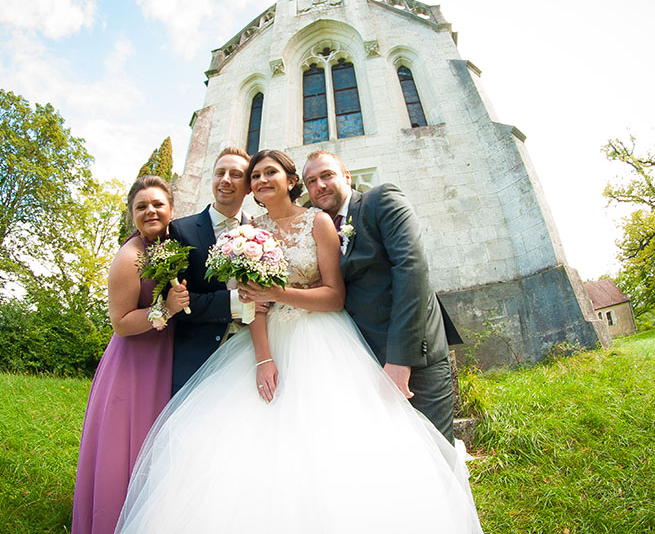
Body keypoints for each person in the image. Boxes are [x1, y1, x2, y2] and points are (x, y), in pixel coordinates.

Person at [115, 150, 482, 533]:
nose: (260, 181)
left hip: (323, 337)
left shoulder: (319, 222)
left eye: (270, 172)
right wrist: (262, 358)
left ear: (290, 181)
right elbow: (251, 304)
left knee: (336, 441)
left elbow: (334, 295)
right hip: (266, 341)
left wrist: (280, 293)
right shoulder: (248, 233)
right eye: (254, 176)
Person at [302, 150, 457, 442]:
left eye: (327, 175)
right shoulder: (321, 229)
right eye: (311, 181)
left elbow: (411, 270)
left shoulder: (381, 200)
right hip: (364, 362)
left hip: (413, 356)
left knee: (435, 455)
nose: (319, 186)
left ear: (346, 176)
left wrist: (401, 359)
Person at [71, 176, 190, 534]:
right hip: (133, 364)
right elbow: (120, 322)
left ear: (171, 209)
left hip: (161, 355)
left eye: (157, 204)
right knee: (125, 447)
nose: (150, 211)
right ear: (132, 215)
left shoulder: (169, 245)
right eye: (141, 206)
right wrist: (166, 310)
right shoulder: (130, 256)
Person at [167, 147, 251, 395]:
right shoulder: (182, 231)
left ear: (248, 186)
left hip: (249, 358)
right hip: (197, 360)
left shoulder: (260, 231)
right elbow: (178, 304)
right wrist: (236, 302)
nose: (225, 180)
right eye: (220, 173)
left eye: (235, 174)